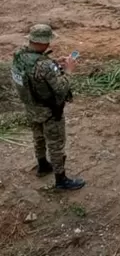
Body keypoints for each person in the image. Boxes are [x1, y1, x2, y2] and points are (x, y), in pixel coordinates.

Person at [10, 24, 85, 190]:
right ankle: (61, 180)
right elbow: (60, 88)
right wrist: (69, 71)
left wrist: (53, 63)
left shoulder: (19, 56)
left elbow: (33, 75)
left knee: (38, 137)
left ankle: (42, 165)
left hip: (31, 107)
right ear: (45, 43)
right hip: (50, 111)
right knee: (56, 144)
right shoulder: (44, 65)